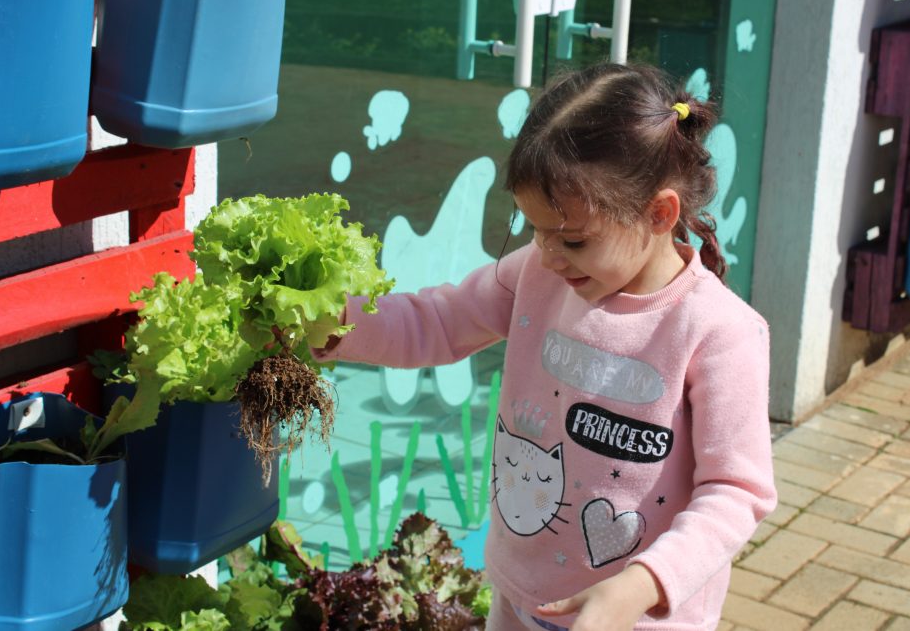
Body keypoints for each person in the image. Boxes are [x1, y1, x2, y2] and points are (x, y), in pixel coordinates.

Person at [315, 62, 777, 631]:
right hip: (520, 596)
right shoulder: (538, 273)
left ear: (659, 214)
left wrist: (640, 586)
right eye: (535, 230)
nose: (550, 255)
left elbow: (736, 491)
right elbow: (436, 322)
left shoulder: (720, 333)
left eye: (573, 240)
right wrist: (336, 323)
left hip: (635, 618)